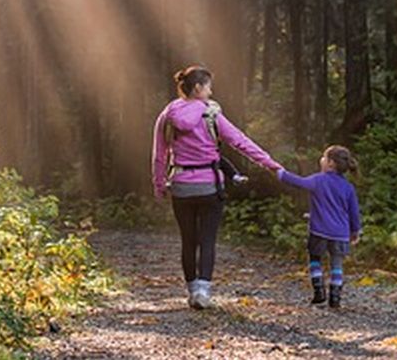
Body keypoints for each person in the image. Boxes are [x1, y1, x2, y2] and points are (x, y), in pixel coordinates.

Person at [152, 66, 281, 309]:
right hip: (209, 186)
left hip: (180, 186)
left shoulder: (167, 114)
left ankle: (191, 292)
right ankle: (203, 291)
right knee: (207, 239)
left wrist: (159, 184)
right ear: (199, 88)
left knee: (188, 240)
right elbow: (241, 142)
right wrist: (271, 165)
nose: (211, 92)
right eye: (209, 86)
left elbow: (159, 154)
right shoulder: (210, 114)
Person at [276, 145, 362, 308]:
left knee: (315, 259)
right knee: (337, 264)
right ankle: (335, 297)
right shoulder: (348, 188)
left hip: (319, 231)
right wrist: (355, 231)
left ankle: (319, 292)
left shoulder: (318, 180)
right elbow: (354, 212)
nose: (321, 160)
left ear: (330, 163)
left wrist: (281, 174)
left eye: (324, 157)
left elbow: (298, 182)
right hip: (340, 233)